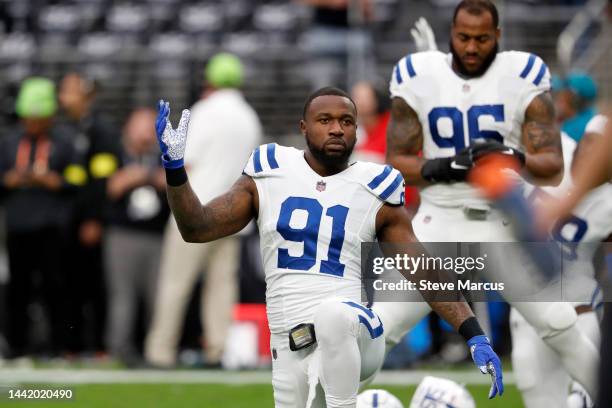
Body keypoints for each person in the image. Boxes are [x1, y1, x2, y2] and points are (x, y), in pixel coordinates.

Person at [154, 87, 503, 407]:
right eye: (325, 120)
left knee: (332, 314)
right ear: (304, 127)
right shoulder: (270, 170)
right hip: (290, 345)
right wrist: (174, 170)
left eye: (346, 121)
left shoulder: (374, 185)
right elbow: (197, 227)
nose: (337, 129)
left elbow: (423, 270)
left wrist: (473, 334)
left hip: (356, 336)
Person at [382, 0, 599, 401]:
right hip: (439, 219)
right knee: (381, 326)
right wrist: (447, 165)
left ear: (498, 36)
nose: (471, 47)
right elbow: (395, 163)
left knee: (559, 322)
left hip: (504, 221)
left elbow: (551, 166)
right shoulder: (417, 74)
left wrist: (511, 157)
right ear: (452, 33)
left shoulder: (522, 72)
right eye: (463, 37)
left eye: (482, 39)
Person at [145, 53, 263, 368]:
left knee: (175, 283)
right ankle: (218, 350)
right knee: (221, 286)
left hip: (194, 211)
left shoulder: (205, 111)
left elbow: (184, 158)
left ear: (209, 80)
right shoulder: (249, 117)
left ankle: (160, 352)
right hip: (233, 214)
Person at [0, 77, 85, 357]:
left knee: (56, 288)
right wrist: (9, 180)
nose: (32, 123)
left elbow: (78, 180)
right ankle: (17, 346)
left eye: (38, 118)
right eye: (28, 118)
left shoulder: (65, 142)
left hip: (52, 227)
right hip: (18, 226)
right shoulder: (9, 142)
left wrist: (52, 181)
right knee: (18, 291)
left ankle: (59, 346)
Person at [58, 72, 121, 354]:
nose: (63, 97)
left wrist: (94, 218)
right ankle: (70, 346)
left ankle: (98, 347)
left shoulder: (101, 130)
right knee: (69, 285)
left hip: (90, 222)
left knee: (95, 285)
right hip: (66, 220)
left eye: (69, 91)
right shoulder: (65, 129)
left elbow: (102, 181)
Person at [104, 108, 169, 367]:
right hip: (123, 234)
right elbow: (113, 185)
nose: (144, 133)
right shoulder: (115, 154)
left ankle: (155, 350)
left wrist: (142, 176)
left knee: (157, 296)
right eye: (139, 126)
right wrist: (148, 177)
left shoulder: (163, 156)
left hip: (157, 236)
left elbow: (173, 181)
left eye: (149, 127)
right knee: (123, 296)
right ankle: (119, 349)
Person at [553, 71, 598, 142]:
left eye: (564, 94)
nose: (559, 98)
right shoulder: (591, 117)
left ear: (575, 101)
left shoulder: (573, 131)